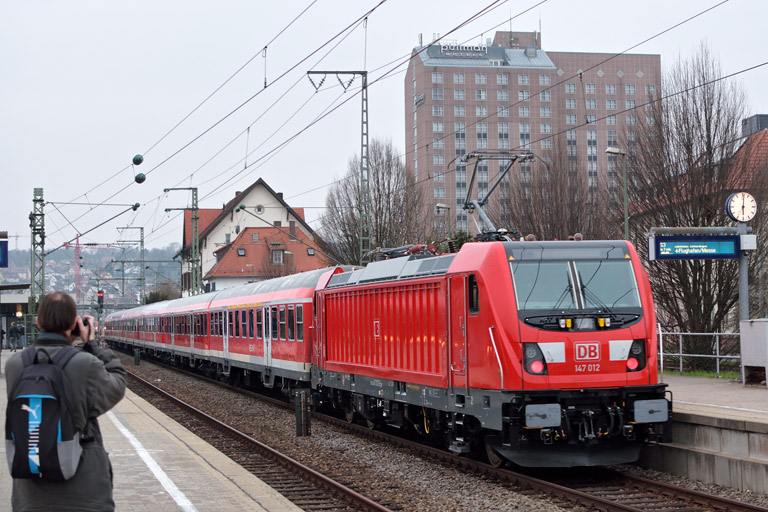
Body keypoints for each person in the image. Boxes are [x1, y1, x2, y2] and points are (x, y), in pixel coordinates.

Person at [5, 291, 126, 511]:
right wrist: (92, 344)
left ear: (38, 322)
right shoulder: (85, 364)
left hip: (29, 492)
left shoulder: (15, 364)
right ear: (73, 324)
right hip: (84, 490)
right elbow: (117, 385)